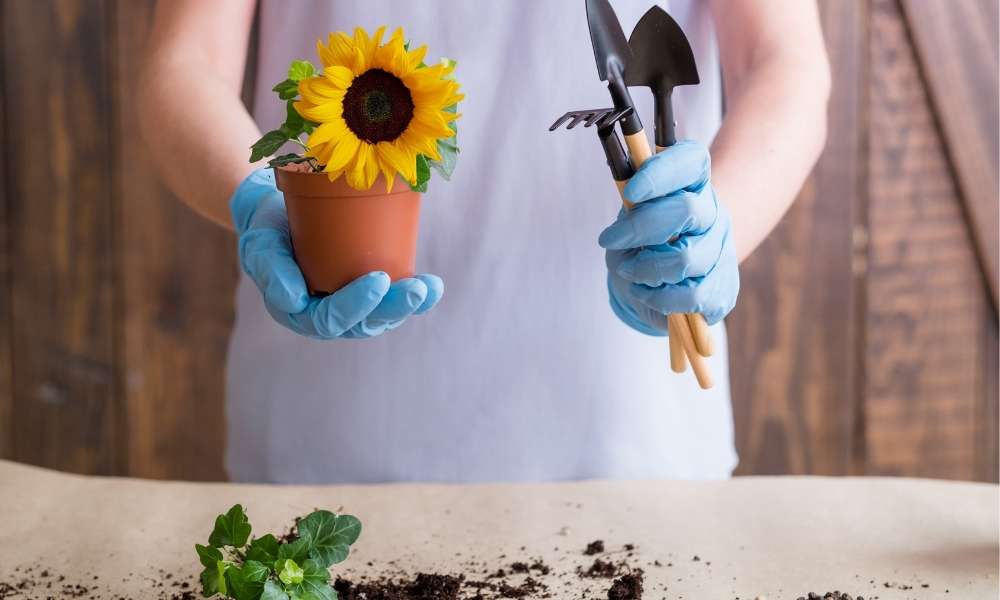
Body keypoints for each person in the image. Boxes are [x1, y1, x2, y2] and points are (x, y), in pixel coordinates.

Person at [139, 1, 830, 484]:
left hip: (627, 431)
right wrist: (259, 198)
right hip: (327, 434)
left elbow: (782, 60)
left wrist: (716, 229)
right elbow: (186, 61)